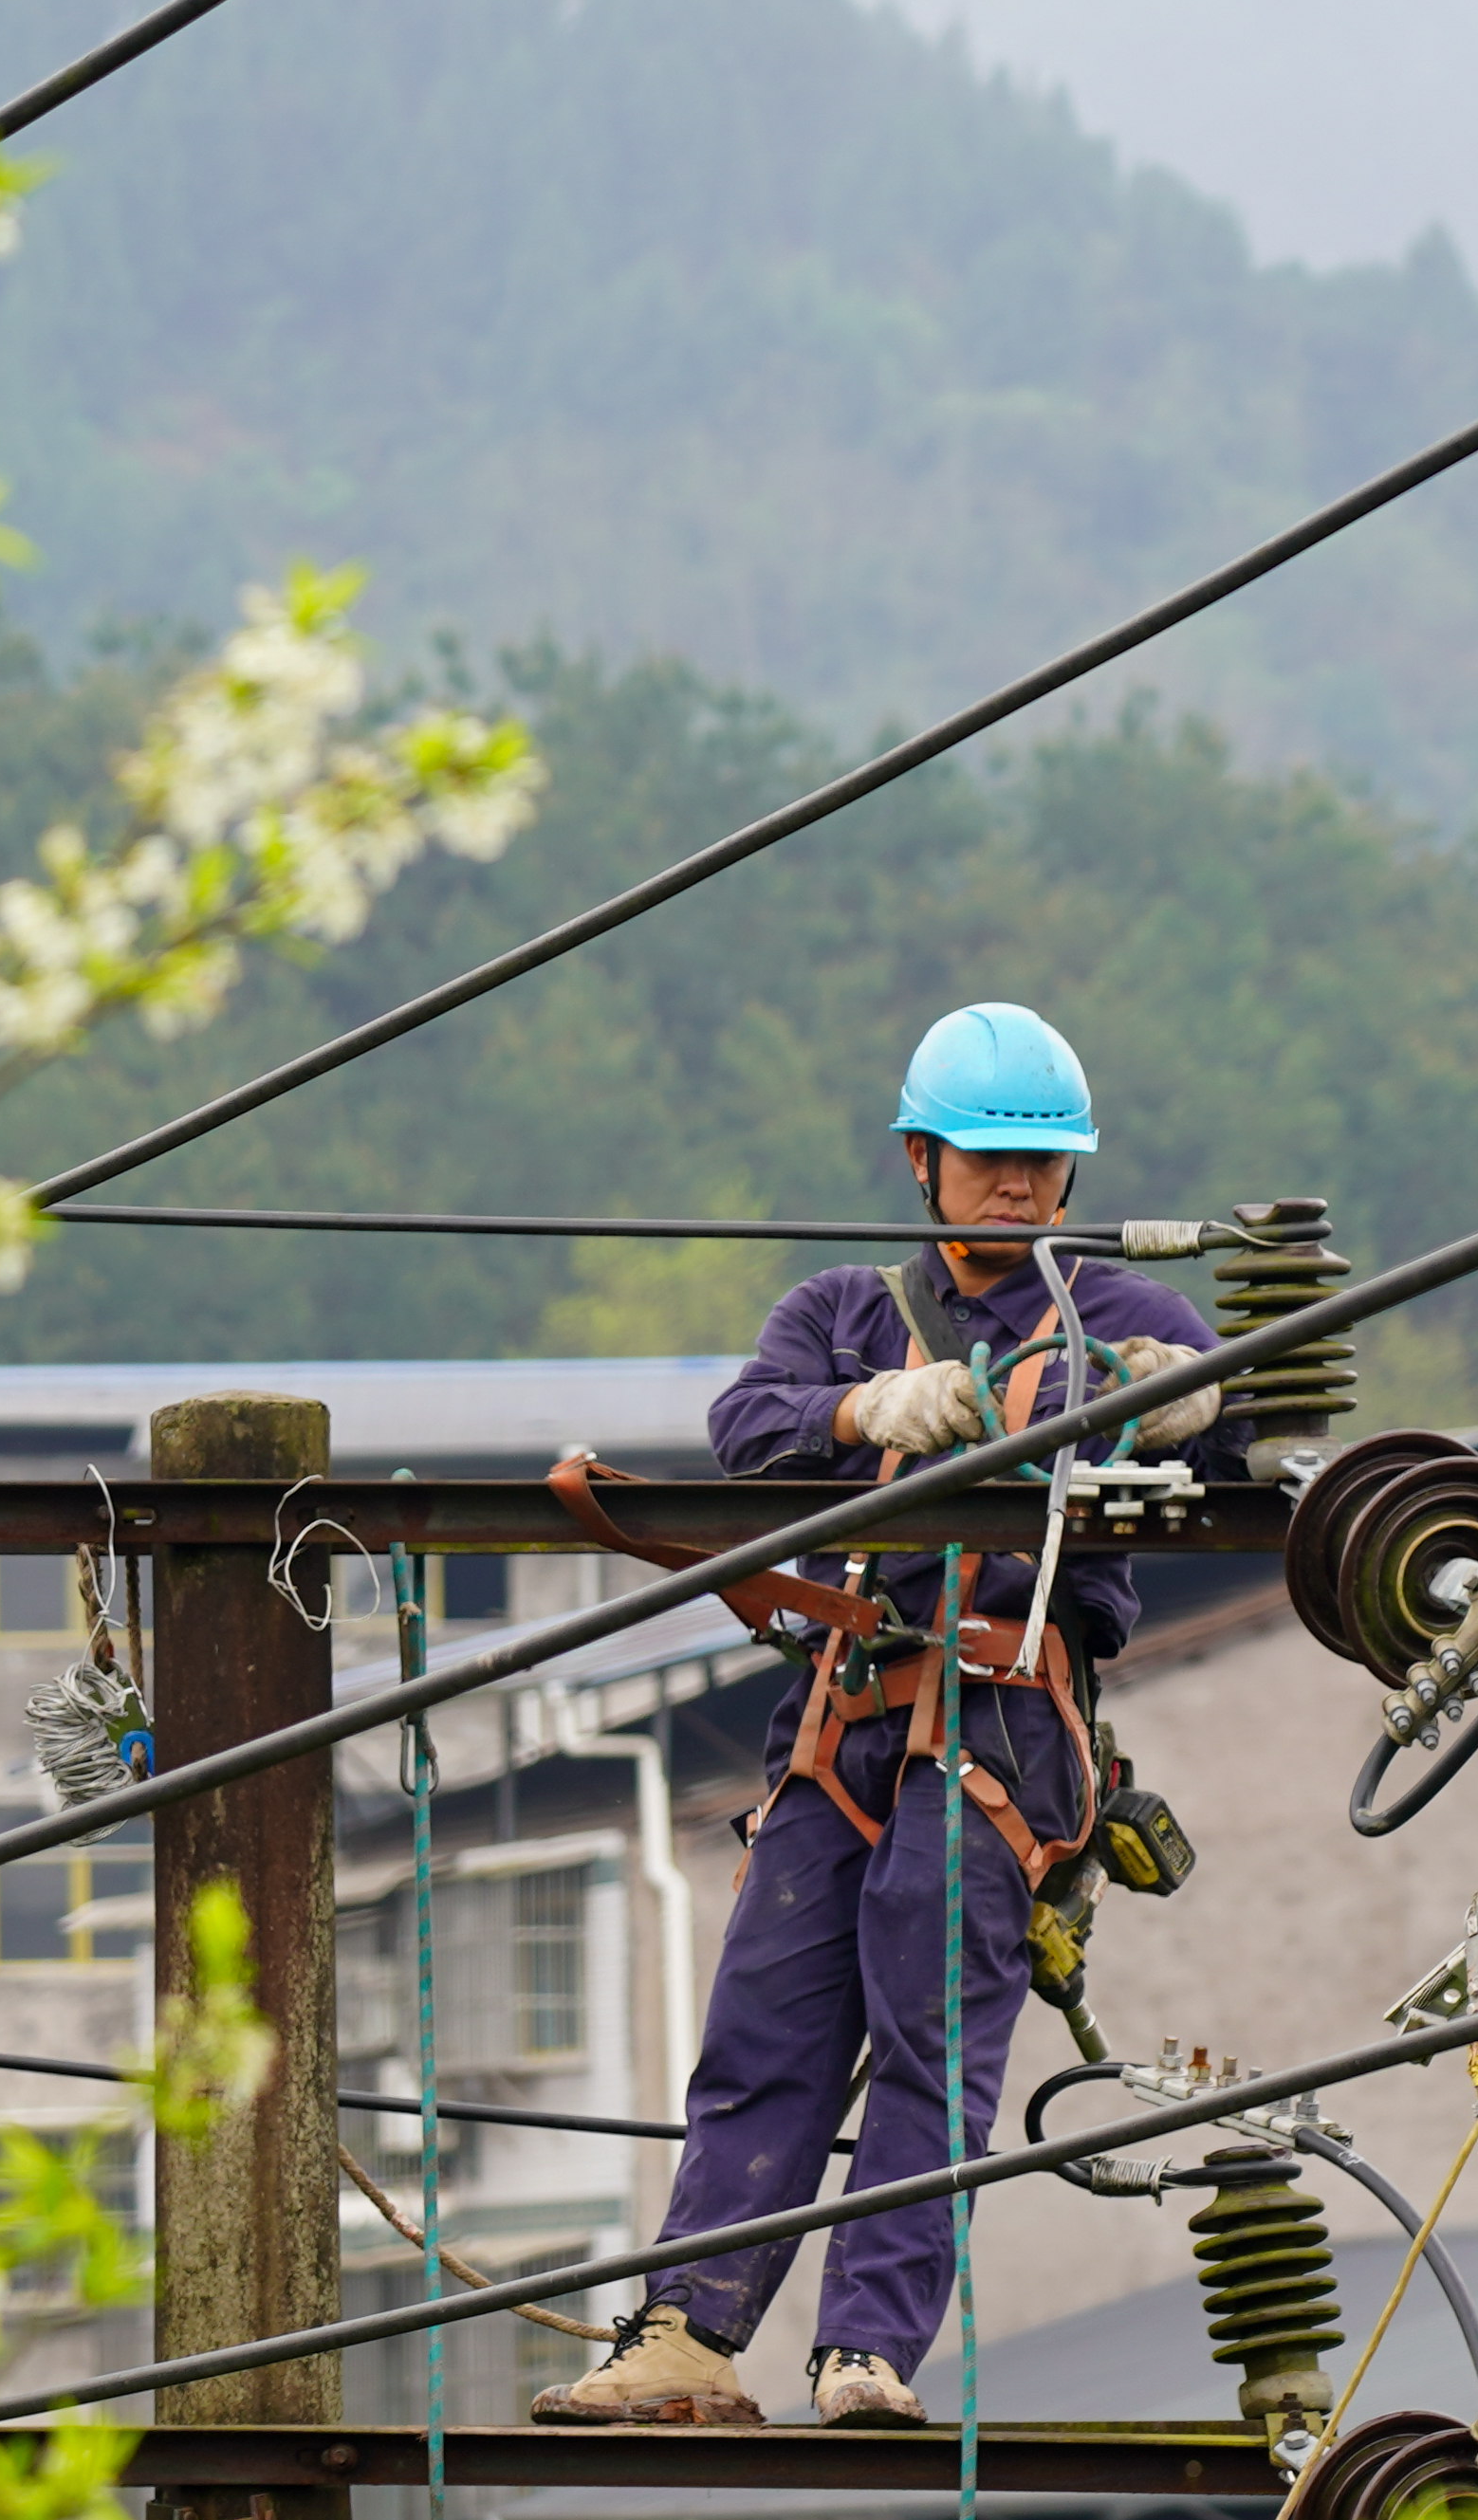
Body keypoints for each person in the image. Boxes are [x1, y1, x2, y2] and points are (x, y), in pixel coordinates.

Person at [531, 1002, 1241, 2430]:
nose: (1016, 1189)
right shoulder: (847, 1312)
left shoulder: (1126, 1321)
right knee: (765, 2022)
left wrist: (1182, 1409)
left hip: (1002, 1720)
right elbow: (748, 1426)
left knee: (931, 2028)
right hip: (842, 1714)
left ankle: (865, 2353)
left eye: (1040, 1168)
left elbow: (1235, 1444)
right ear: (923, 1161)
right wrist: (868, 1412)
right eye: (986, 1161)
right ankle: (687, 2333)